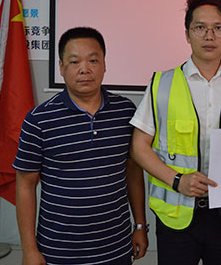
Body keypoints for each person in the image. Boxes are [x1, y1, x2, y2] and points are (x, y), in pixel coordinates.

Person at [130, 0, 221, 265]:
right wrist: (177, 180)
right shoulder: (161, 84)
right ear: (187, 33)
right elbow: (139, 146)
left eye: (218, 28)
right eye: (200, 28)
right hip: (176, 216)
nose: (209, 36)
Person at [14, 27, 148, 265]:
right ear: (61, 67)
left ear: (104, 64)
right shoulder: (39, 120)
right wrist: (29, 250)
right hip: (58, 249)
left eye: (93, 60)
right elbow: (25, 185)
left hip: (116, 247)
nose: (85, 69)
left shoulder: (125, 111)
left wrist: (140, 225)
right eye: (74, 62)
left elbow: (133, 172)